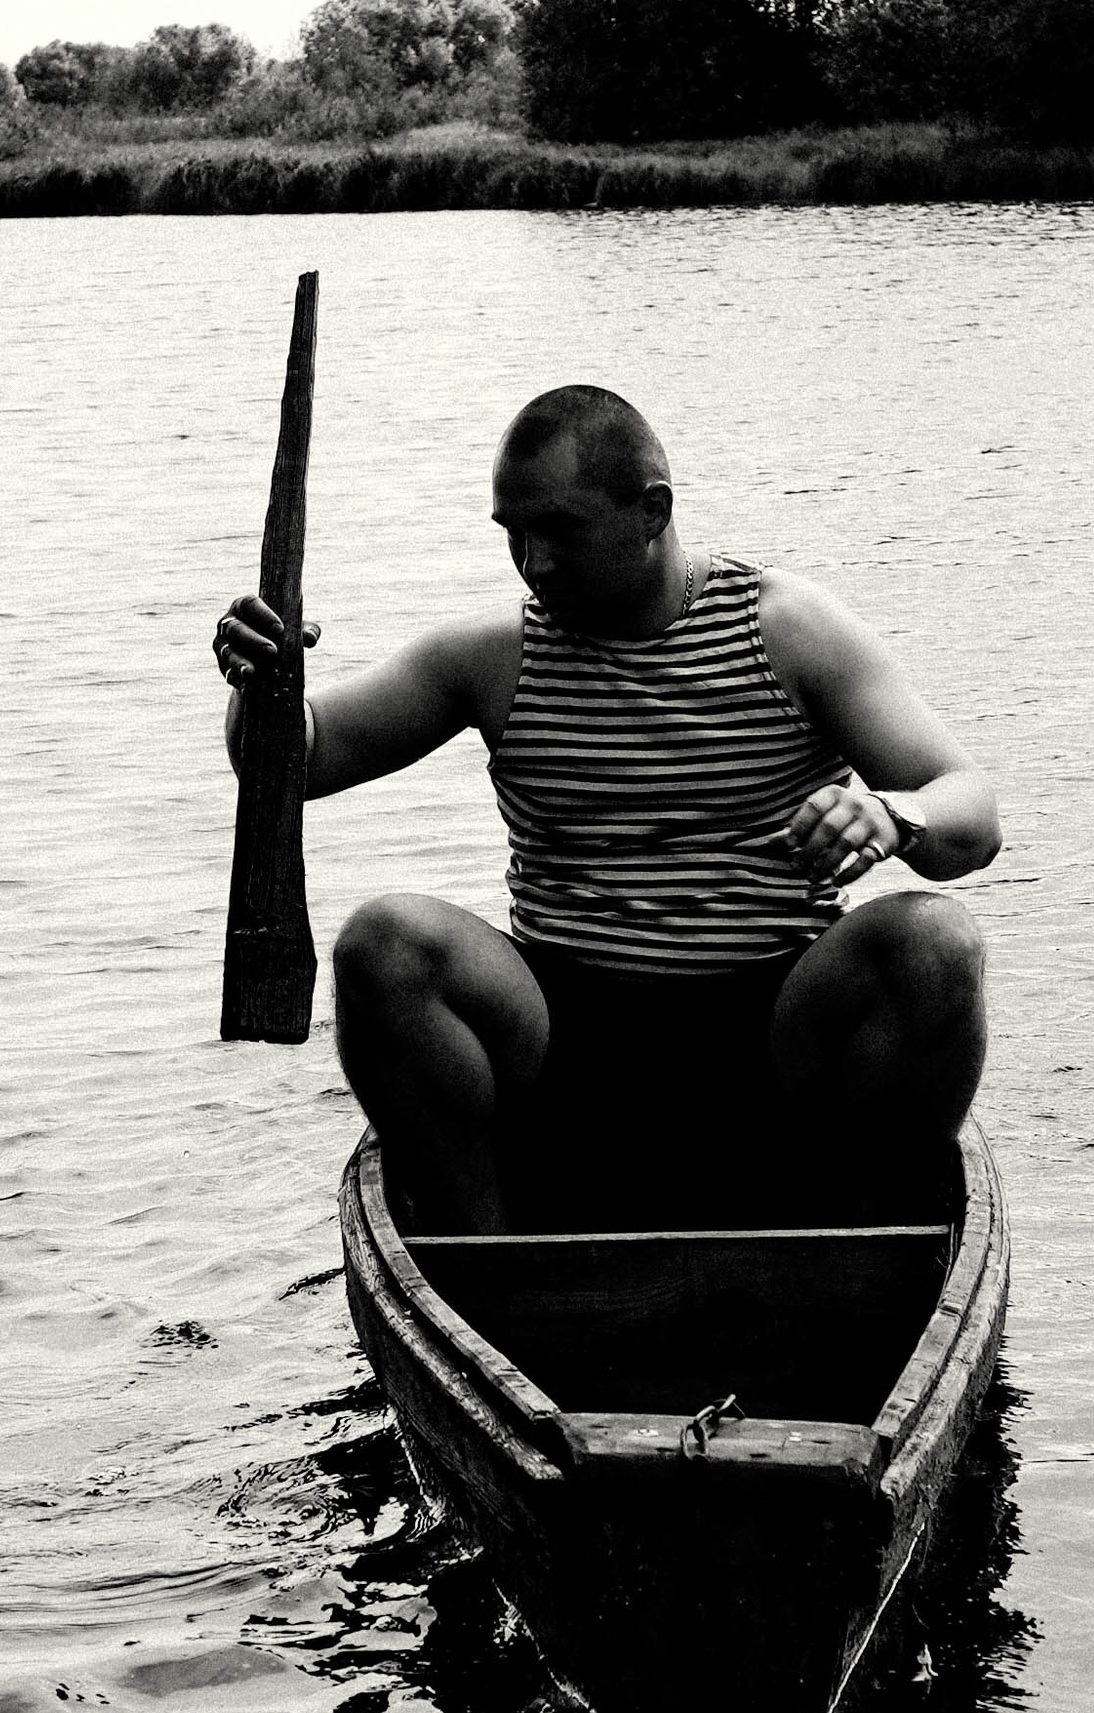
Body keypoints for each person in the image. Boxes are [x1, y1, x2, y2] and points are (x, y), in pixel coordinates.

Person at [215, 383, 998, 1233]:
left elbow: (970, 811)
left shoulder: (787, 631)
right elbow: (293, 765)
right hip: (563, 1029)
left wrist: (894, 817)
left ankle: (868, 1250)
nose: (534, 562)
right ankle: (486, 1260)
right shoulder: (496, 655)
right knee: (384, 944)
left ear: (652, 511)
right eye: (514, 534)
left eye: (560, 530)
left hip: (775, 1025)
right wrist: (262, 687)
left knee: (936, 943)